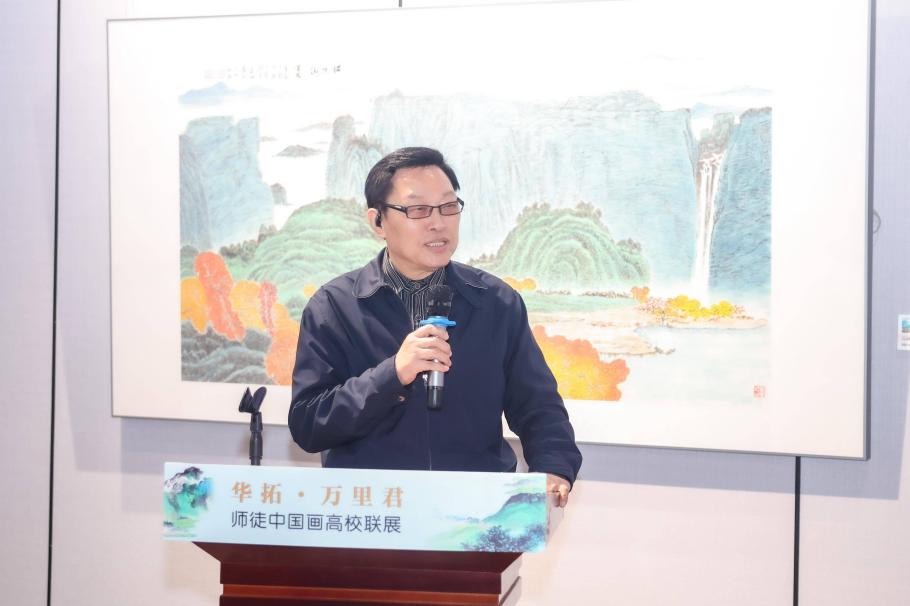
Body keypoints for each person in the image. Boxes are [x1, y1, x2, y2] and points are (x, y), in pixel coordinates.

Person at [289, 147, 582, 506]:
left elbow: (538, 405)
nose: (438, 223)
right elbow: (309, 423)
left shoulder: (495, 302)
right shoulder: (334, 306)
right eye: (418, 210)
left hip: (475, 511)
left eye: (448, 206)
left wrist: (553, 467)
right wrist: (393, 374)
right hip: (373, 512)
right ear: (378, 221)